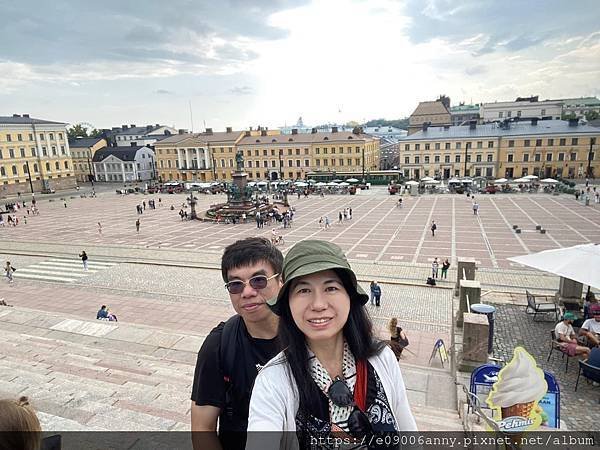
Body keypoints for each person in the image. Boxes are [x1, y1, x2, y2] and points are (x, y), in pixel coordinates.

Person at [246, 240, 417, 448]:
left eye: (331, 287)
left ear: (349, 296)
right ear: (288, 303)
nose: (318, 304)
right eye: (303, 290)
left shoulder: (382, 358)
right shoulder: (273, 382)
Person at [191, 237, 284, 450]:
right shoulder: (218, 346)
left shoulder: (309, 335)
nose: (248, 292)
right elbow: (202, 428)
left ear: (282, 281)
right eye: (235, 285)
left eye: (259, 280)